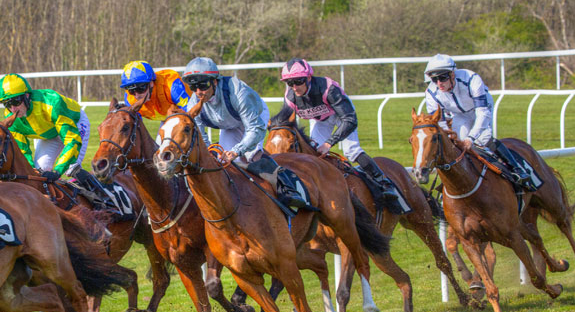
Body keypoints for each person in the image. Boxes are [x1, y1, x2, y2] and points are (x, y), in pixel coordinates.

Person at [181, 56, 307, 207]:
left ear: (215, 81)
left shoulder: (237, 91)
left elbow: (255, 129)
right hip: (229, 124)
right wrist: (212, 152)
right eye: (193, 87)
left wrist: (236, 151)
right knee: (224, 161)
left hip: (254, 117)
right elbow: (202, 139)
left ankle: (287, 188)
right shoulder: (193, 104)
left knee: (251, 155)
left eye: (203, 85)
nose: (199, 92)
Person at [276, 57, 399, 200]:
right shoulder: (290, 97)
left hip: (342, 116)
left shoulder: (329, 89)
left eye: (298, 81)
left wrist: (329, 143)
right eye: (290, 83)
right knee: (313, 153)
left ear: (309, 78)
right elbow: (285, 123)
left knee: (351, 151)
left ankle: (384, 183)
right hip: (321, 120)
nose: (295, 87)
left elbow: (350, 120)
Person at [423, 53, 532, 186]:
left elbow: (482, 113)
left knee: (483, 139)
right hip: (459, 114)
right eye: (434, 79)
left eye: (442, 78)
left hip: (480, 109)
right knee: (457, 145)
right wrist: (450, 137)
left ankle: (517, 169)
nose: (439, 83)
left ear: (452, 74)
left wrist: (471, 138)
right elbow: (441, 122)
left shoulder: (472, 79)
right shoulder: (431, 93)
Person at [0, 73, 107, 197]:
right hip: (49, 133)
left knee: (70, 168)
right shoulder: (10, 117)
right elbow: (23, 150)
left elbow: (72, 140)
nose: (13, 109)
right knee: (40, 170)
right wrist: (31, 170)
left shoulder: (52, 103)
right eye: (7, 104)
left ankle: (103, 197)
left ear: (27, 95)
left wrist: (57, 171)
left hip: (75, 123)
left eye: (16, 101)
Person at [120, 60, 190, 121]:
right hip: (167, 118)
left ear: (151, 83)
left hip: (188, 111)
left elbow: (190, 112)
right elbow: (136, 125)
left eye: (140, 89)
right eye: (131, 91)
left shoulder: (171, 86)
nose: (137, 96)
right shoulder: (129, 98)